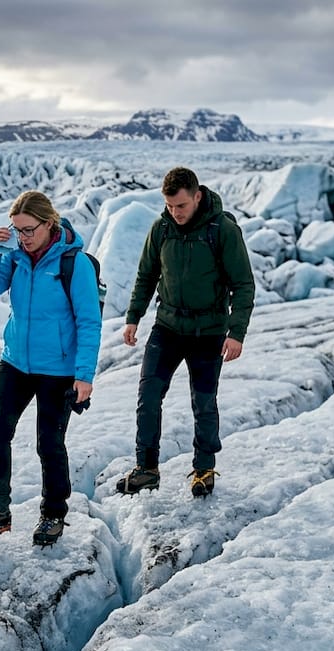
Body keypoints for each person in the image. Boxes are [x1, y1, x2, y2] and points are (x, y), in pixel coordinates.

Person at [0, 190, 102, 547]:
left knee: (49, 442)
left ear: (49, 223)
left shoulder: (74, 264)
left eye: (28, 230)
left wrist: (84, 374)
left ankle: (53, 514)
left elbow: (89, 321)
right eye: (17, 230)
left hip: (58, 368)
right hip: (16, 362)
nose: (22, 237)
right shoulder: (15, 258)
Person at [118, 167, 255, 499]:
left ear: (196, 196)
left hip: (209, 332)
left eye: (180, 205)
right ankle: (147, 469)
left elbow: (243, 284)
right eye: (169, 206)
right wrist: (134, 316)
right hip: (167, 327)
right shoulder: (162, 228)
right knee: (148, 397)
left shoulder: (221, 230)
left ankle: (204, 470)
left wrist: (236, 332)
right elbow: (146, 274)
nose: (175, 213)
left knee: (204, 403)